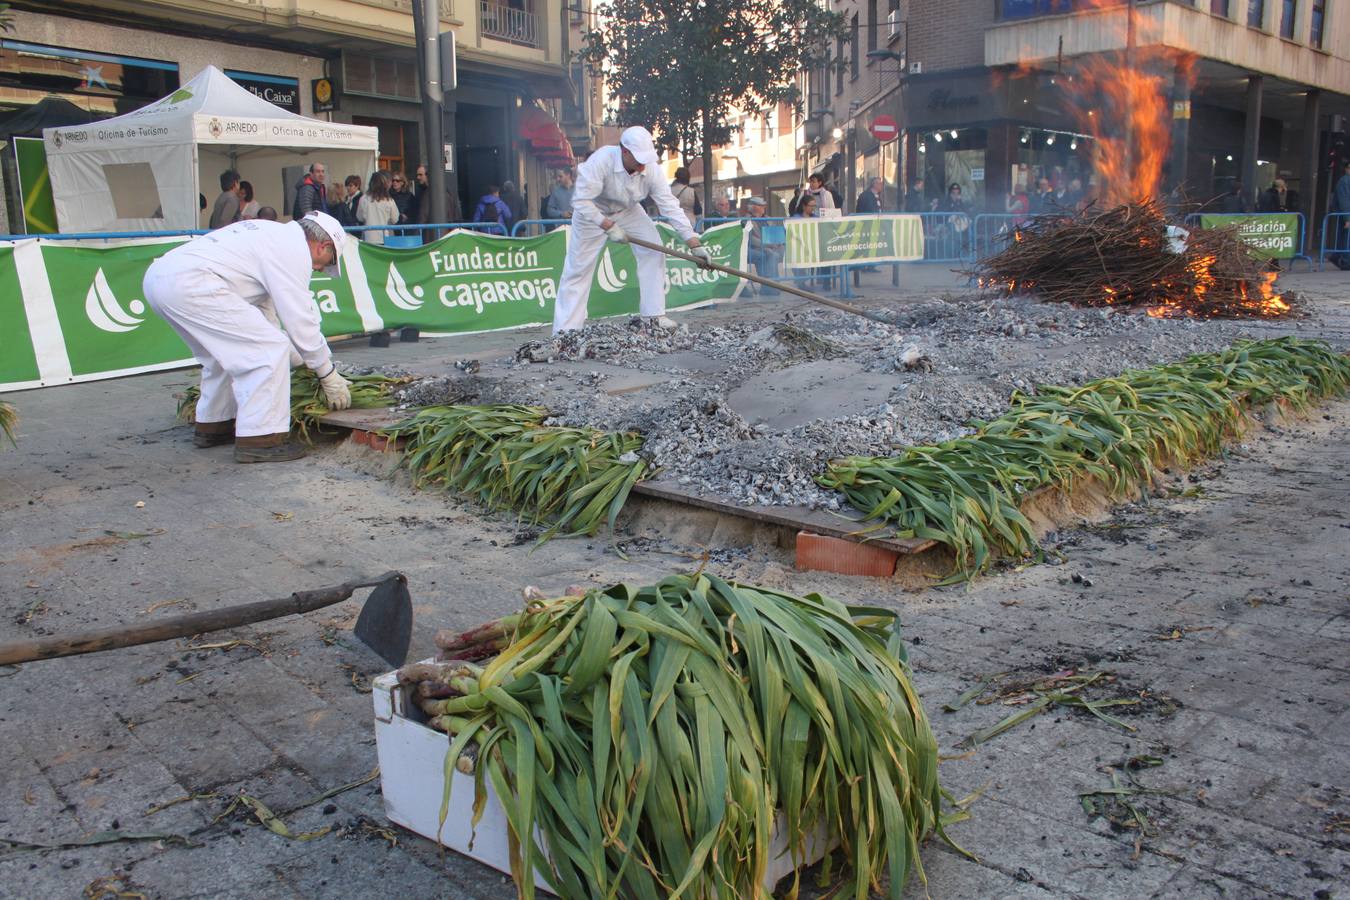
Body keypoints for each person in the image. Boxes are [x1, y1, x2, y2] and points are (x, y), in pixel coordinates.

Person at [141, 211, 352, 463]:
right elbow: (301, 322)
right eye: (328, 262)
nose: (321, 269)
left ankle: (214, 425)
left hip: (162, 278)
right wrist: (327, 374)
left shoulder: (272, 235)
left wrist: (300, 360)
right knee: (267, 352)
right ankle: (261, 439)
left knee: (221, 355)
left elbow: (266, 317)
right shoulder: (292, 251)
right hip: (193, 283)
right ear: (323, 246)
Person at [552, 125, 711, 335]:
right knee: (578, 269)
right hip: (592, 212)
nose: (643, 166)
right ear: (624, 152)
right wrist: (608, 226)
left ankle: (653, 316)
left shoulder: (651, 169)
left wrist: (693, 242)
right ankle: (566, 330)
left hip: (628, 210)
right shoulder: (600, 161)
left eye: (645, 160)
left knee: (654, 249)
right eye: (638, 160)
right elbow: (581, 201)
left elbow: (669, 205)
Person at [743, 196, 780, 295]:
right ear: (755, 207)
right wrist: (766, 246)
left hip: (769, 247)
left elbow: (774, 233)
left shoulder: (768, 219)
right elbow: (750, 238)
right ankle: (771, 286)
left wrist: (774, 243)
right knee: (769, 255)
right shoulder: (746, 220)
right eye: (761, 205)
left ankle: (770, 286)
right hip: (754, 248)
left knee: (774, 254)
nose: (764, 207)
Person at [356, 171, 400, 245]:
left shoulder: (363, 199)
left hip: (369, 238)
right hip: (385, 238)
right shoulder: (389, 200)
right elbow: (395, 219)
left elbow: (359, 217)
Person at [1332, 160, 1350, 269]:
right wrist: (1347, 218)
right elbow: (1344, 201)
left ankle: (1339, 257)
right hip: (1346, 214)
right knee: (1346, 238)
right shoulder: (1345, 181)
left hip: (1345, 214)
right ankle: (1344, 260)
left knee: (1344, 238)